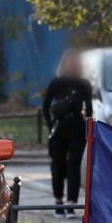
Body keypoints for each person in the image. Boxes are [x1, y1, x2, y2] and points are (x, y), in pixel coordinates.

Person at [40, 49, 92, 213]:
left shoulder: (84, 84)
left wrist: (88, 129)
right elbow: (46, 105)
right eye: (69, 62)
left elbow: (89, 109)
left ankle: (71, 202)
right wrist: (50, 124)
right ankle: (58, 200)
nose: (72, 65)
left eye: (75, 62)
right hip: (60, 127)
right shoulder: (57, 83)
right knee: (58, 164)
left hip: (77, 127)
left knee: (74, 166)